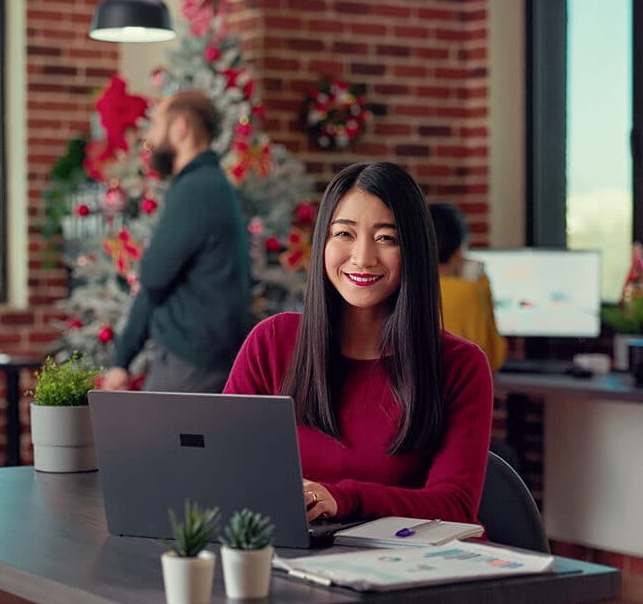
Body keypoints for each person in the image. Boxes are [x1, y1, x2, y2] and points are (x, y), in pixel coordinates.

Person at [224, 162, 493, 523]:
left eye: (386, 238)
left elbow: (455, 507)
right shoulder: (271, 343)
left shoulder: (460, 365)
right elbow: (220, 468)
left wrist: (342, 498)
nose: (362, 258)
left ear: (413, 249)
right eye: (344, 234)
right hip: (296, 560)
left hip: (411, 568)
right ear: (323, 241)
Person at [100, 90, 251, 393]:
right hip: (207, 355)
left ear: (180, 128)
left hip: (191, 360)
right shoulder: (212, 184)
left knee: (157, 440)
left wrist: (121, 360)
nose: (150, 139)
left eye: (156, 127)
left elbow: (154, 277)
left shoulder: (196, 189)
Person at [428, 202, 507, 372]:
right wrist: (482, 285)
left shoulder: (405, 288)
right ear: (459, 250)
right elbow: (492, 359)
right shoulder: (469, 291)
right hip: (461, 392)